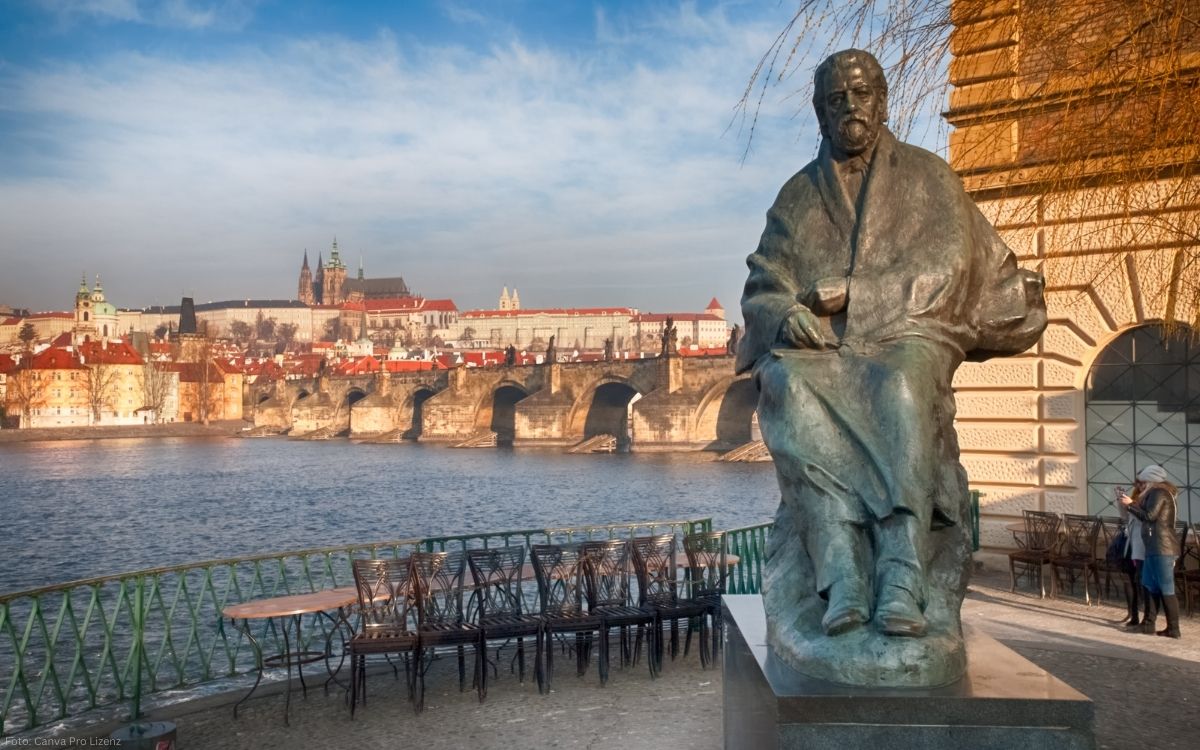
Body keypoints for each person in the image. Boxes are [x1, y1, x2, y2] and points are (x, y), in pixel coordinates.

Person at [738, 49, 1047, 643]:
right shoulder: (798, 194)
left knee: (900, 385)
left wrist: (857, 292)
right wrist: (784, 316)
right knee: (786, 386)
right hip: (824, 349)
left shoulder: (929, 175)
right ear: (821, 113)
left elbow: (950, 269)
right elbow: (763, 280)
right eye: (836, 99)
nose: (850, 107)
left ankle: (902, 574)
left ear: (882, 103)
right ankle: (842, 576)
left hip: (913, 330)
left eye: (861, 95)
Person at [1120, 464, 1182, 638]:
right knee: (1149, 583)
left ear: (1151, 480)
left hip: (1162, 547)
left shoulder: (1159, 493)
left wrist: (1130, 505)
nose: (1141, 485)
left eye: (1143, 481)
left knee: (1166, 588)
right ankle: (1148, 624)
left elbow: (1149, 516)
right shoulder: (1155, 493)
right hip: (1153, 546)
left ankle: (1174, 628)